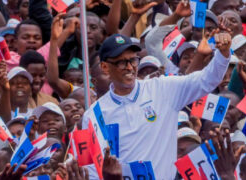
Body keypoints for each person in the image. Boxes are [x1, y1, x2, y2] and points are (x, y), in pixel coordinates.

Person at [82, 1, 232, 178]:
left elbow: (206, 81)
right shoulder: (93, 116)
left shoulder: (162, 88)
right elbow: (91, 171)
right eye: (121, 62)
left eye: (133, 60)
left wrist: (222, 54)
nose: (130, 67)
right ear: (105, 68)